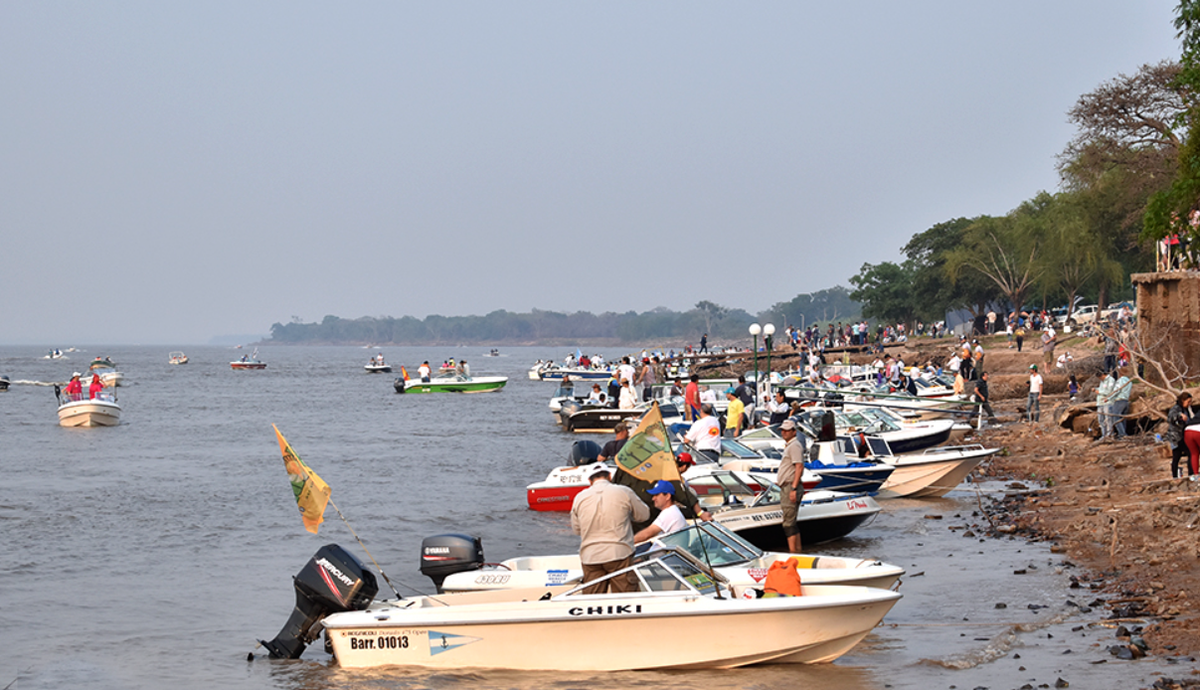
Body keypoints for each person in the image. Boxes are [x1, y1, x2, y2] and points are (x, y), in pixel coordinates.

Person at [570, 466, 649, 594]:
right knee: (626, 599)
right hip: (619, 554)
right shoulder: (624, 491)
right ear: (610, 477)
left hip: (590, 557)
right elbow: (644, 515)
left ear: (590, 481)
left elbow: (577, 530)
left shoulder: (579, 497)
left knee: (592, 603)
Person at [777, 419, 806, 554]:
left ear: (794, 432)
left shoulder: (794, 445)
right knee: (791, 522)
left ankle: (793, 552)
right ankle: (797, 551)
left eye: (787, 430)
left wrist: (793, 488)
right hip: (787, 486)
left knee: (788, 523)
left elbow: (799, 466)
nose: (784, 433)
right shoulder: (790, 445)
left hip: (790, 486)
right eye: (783, 430)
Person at [1166, 392, 1194, 478]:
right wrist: (1179, 415)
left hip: (1182, 437)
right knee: (1190, 453)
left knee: (1177, 457)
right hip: (1176, 437)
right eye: (1188, 401)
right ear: (1183, 400)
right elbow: (1170, 417)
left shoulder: (1186, 409)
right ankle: (1191, 474)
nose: (1189, 404)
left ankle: (1176, 475)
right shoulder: (1176, 408)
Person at [1110, 368, 1133, 438]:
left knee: (1115, 417)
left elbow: (1116, 390)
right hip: (1126, 401)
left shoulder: (1120, 381)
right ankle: (1123, 433)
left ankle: (1122, 434)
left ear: (1120, 373)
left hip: (1119, 401)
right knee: (1123, 418)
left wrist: (1108, 398)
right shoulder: (1129, 381)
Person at [1096, 369, 1117, 441]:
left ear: (1102, 375)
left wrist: (1099, 392)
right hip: (1100, 403)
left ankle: (1110, 434)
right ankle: (1103, 435)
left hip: (1107, 402)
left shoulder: (1111, 380)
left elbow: (1109, 392)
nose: (1099, 379)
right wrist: (1096, 389)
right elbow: (1101, 389)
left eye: (1100, 378)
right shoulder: (1101, 381)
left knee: (1108, 419)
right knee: (1100, 420)